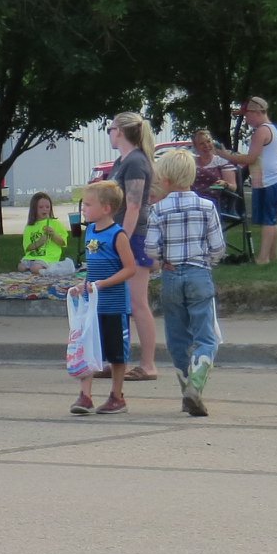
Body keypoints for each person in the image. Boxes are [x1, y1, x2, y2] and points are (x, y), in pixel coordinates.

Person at [145, 148, 225, 417]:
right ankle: (196, 385)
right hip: (199, 273)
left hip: (171, 275)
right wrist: (206, 260)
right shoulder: (207, 207)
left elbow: (151, 250)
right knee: (206, 336)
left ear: (165, 179)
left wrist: (164, 259)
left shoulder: (158, 209)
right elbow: (218, 247)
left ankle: (185, 391)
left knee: (178, 337)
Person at [70, 180, 140, 414]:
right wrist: (84, 284)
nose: (84, 209)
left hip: (114, 304)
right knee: (88, 347)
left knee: (116, 353)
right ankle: (85, 396)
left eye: (88, 205)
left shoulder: (117, 234)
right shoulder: (90, 231)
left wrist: (102, 285)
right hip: (93, 305)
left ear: (106, 208)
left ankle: (117, 396)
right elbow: (92, 267)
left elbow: (130, 268)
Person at [105, 112, 161, 379]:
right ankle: (117, 361)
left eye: (110, 128)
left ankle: (148, 364)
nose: (109, 133)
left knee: (137, 301)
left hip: (134, 237)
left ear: (121, 132)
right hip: (120, 235)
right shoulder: (121, 161)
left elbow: (135, 205)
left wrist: (122, 240)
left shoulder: (136, 162)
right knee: (119, 303)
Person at [221, 97, 277, 265]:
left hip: (266, 180)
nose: (245, 119)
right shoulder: (272, 129)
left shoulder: (261, 131)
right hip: (272, 178)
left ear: (255, 112)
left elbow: (250, 158)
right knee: (272, 218)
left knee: (268, 219)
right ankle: (273, 255)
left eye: (246, 115)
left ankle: (262, 258)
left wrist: (225, 155)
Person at [20, 193, 72, 275]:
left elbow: (62, 243)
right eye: (41, 207)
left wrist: (53, 234)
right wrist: (39, 243)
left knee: (35, 268)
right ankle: (37, 270)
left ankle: (49, 271)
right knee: (21, 267)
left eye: (47, 207)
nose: (45, 209)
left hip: (48, 257)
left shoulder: (55, 223)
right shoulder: (29, 227)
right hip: (32, 256)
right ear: (34, 209)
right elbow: (28, 248)